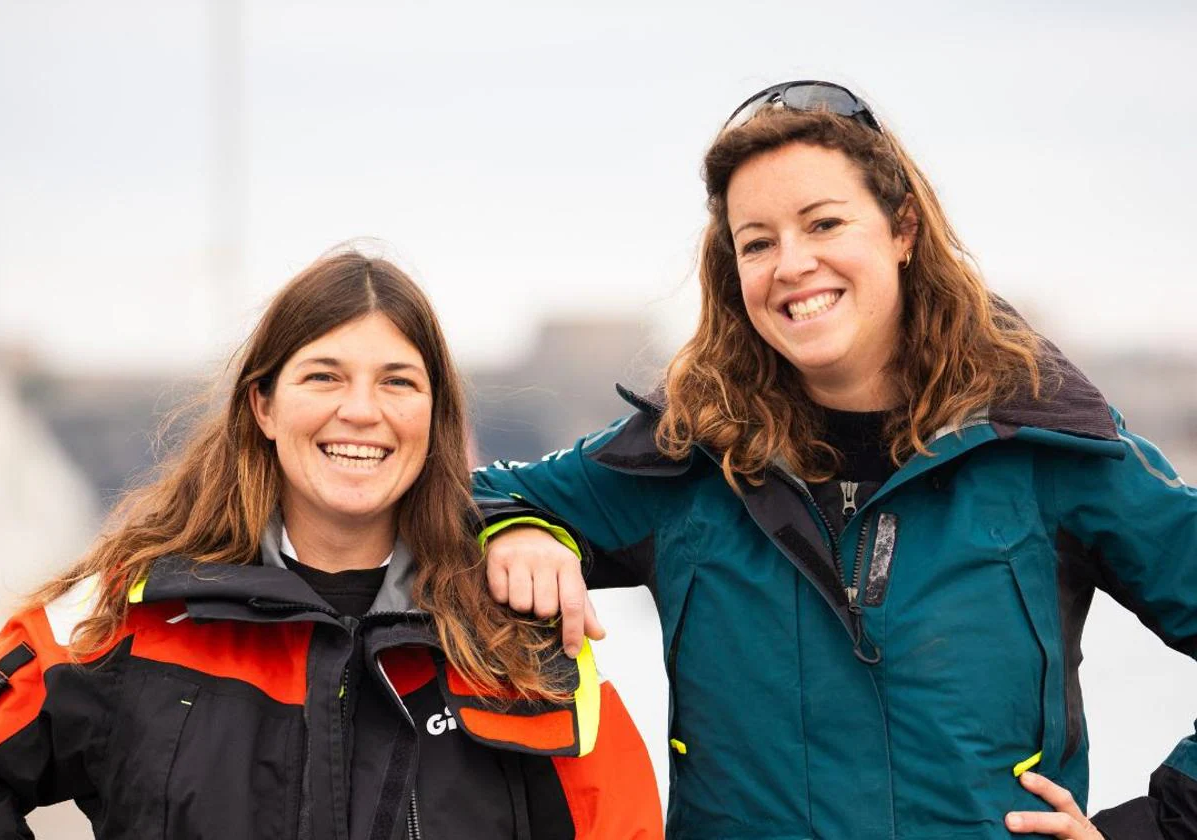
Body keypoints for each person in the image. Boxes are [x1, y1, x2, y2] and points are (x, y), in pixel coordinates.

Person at [474, 81, 1197, 839]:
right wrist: (519, 530)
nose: (792, 264)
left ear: (903, 229)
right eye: (757, 242)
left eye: (823, 224)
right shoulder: (687, 457)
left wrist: (1148, 831)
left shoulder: (1044, 446)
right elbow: (460, 500)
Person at [0, 250, 662, 839]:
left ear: (435, 417)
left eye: (398, 381)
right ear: (262, 406)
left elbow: (623, 824)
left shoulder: (524, 636)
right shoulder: (128, 612)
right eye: (323, 377)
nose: (362, 410)